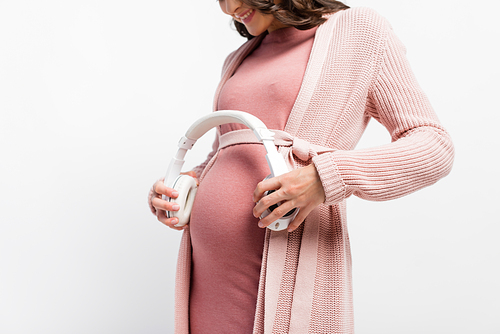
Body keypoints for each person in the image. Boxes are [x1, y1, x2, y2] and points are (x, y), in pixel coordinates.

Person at [148, 0, 455, 333]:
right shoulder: (240, 56)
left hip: (289, 260)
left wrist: (325, 177)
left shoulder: (360, 31)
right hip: (209, 278)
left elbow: (433, 144)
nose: (229, 7)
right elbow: (230, 148)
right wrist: (187, 184)